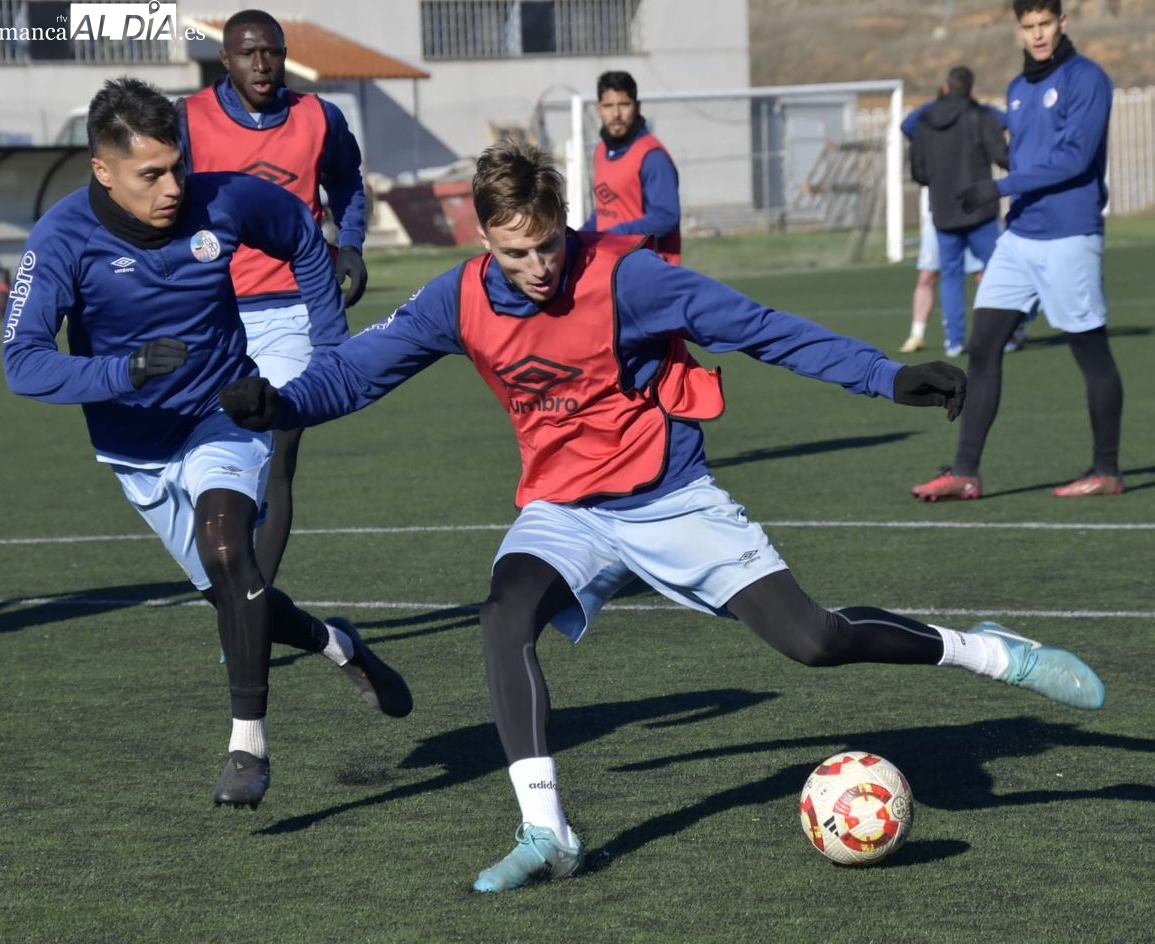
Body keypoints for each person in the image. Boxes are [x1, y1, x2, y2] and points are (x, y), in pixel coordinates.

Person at [219, 139, 1105, 891]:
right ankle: (548, 834)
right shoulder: (458, 297)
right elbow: (358, 370)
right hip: (564, 509)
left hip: (669, 499)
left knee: (815, 642)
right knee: (503, 616)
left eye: (546, 249)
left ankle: (987, 650)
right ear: (484, 238)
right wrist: (279, 403)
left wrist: (886, 376)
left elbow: (762, 328)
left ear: (564, 221)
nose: (534, 270)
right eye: (512, 253)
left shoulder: (630, 279)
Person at [1, 77, 411, 811]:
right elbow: (23, 361)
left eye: (178, 167)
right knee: (233, 592)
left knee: (228, 546)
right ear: (102, 170)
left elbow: (296, 232)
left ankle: (246, 748)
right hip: (136, 448)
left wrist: (329, 350)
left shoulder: (223, 200)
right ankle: (336, 644)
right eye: (150, 174)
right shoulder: (60, 239)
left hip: (224, 414)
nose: (172, 187)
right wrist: (120, 370)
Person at [178, 8, 369, 585]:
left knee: (275, 456)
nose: (262, 64)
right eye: (249, 53)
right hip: (213, 317)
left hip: (296, 310)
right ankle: (234, 592)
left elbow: (349, 181)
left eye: (273, 52)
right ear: (226, 60)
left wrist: (351, 246)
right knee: (210, 464)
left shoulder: (318, 117)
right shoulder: (186, 120)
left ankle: (254, 605)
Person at [911, 0, 1124, 501]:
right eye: (1028, 27)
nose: (1038, 35)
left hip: (1069, 235)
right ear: (1019, 30)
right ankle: (964, 471)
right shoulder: (1018, 87)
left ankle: (1107, 470)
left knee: (1089, 351)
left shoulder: (1087, 78)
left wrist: (999, 188)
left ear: (1062, 22)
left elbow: (1075, 158)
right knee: (984, 344)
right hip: (1020, 236)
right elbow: (1021, 155)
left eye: (1045, 24)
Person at [909, 65, 1009, 359]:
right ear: (971, 88)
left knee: (950, 277)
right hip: (980, 210)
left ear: (946, 87)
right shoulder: (979, 116)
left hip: (944, 212)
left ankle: (954, 341)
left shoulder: (925, 123)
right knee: (1001, 270)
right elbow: (1001, 155)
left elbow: (918, 170)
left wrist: (939, 183)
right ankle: (1007, 332)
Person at [581, 70, 681, 264]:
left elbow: (666, 216)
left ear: (637, 107)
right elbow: (606, 210)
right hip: (612, 264)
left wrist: (614, 236)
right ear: (598, 109)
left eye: (624, 105)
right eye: (609, 105)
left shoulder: (652, 156)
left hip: (647, 268)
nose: (616, 114)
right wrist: (578, 237)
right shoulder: (601, 151)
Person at [899, 185, 985, 355]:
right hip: (938, 214)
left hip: (972, 214)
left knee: (983, 274)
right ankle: (917, 334)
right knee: (927, 275)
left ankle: (1008, 330)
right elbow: (921, 172)